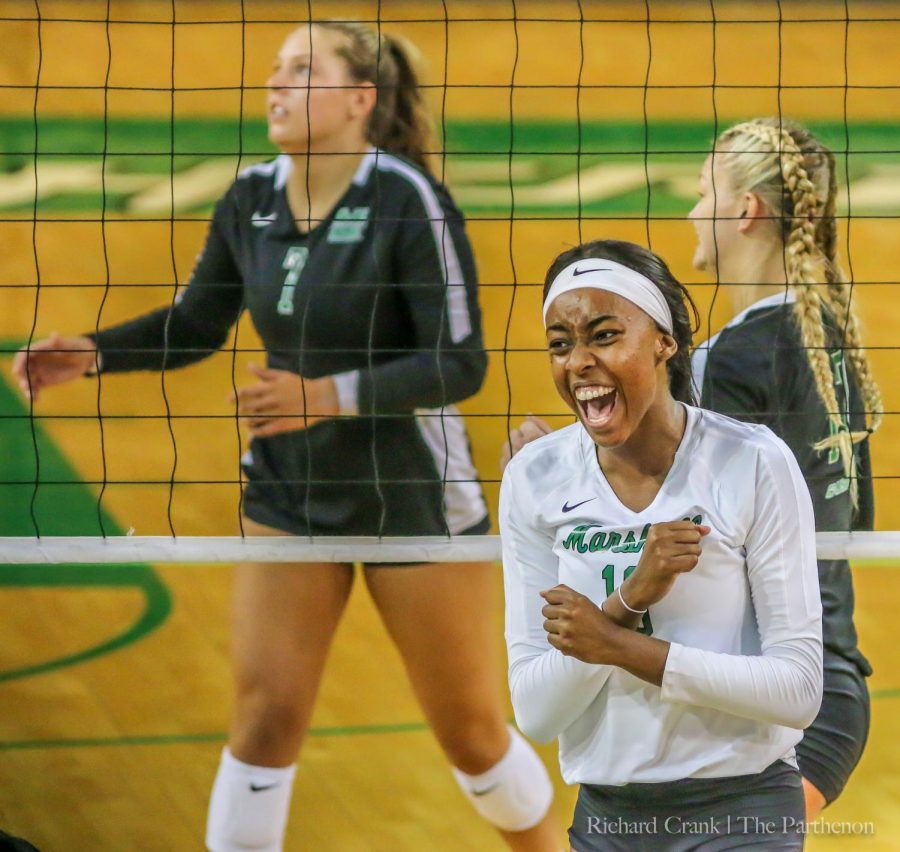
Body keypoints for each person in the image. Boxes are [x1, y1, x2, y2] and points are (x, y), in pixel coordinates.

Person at [12, 21, 559, 852]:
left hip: (407, 492)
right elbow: (198, 322)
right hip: (288, 487)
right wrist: (94, 354)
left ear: (358, 100)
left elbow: (458, 363)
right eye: (275, 68)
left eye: (303, 69)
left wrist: (324, 395)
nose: (276, 82)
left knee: (473, 734)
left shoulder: (406, 199)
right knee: (264, 723)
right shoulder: (252, 197)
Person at [501, 117, 880, 822]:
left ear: (745, 211)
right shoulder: (827, 336)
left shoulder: (733, 363)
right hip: (837, 672)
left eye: (703, 192)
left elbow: (670, 487)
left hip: (771, 700)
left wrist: (563, 481)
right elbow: (854, 514)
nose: (690, 212)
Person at [501, 238, 823, 850]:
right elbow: (537, 712)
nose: (578, 362)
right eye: (560, 345)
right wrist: (626, 602)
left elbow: (800, 689)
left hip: (743, 810)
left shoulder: (752, 461)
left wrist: (618, 644)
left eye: (603, 336)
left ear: (664, 343)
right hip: (610, 819)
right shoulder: (534, 478)